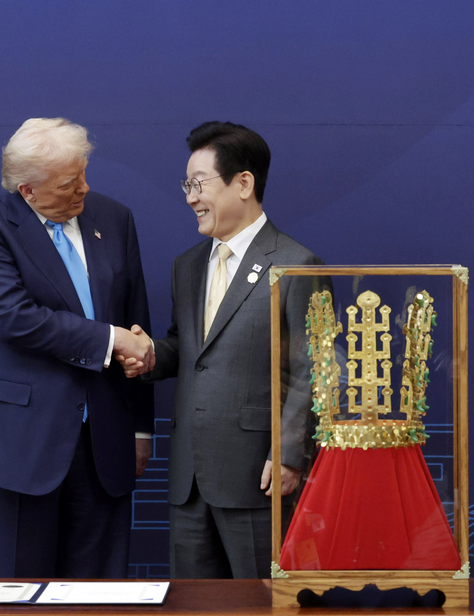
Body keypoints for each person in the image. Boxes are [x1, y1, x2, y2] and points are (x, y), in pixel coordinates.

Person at [0, 118, 155, 578]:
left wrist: (141, 428)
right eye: (68, 184)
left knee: (102, 595)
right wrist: (109, 338)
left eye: (82, 174)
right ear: (28, 191)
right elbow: (12, 318)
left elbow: (136, 322)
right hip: (19, 442)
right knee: (25, 590)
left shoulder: (113, 218)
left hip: (104, 440)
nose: (83, 189)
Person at [122, 121, 325, 579]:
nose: (190, 197)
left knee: (261, 605)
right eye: (186, 185)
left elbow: (313, 369)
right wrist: (149, 352)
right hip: (189, 479)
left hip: (258, 476)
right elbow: (190, 349)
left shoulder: (295, 264)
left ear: (244, 183)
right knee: (193, 606)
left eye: (198, 184)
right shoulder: (187, 266)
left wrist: (290, 453)